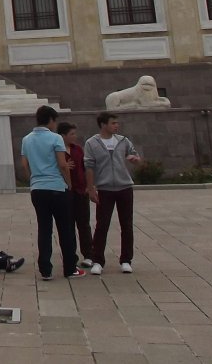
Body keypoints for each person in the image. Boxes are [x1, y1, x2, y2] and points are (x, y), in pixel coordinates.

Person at [20, 105, 84, 280]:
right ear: (51, 120)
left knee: (44, 229)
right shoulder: (55, 138)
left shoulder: (26, 139)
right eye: (54, 121)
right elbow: (63, 165)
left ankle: (45, 270)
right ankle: (70, 268)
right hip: (56, 187)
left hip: (37, 188)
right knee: (65, 229)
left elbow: (24, 165)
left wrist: (32, 180)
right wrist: (69, 184)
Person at [84, 112, 142, 275]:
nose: (117, 126)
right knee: (102, 225)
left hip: (124, 187)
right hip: (105, 188)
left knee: (127, 224)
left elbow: (136, 156)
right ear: (103, 124)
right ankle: (98, 261)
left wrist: (135, 159)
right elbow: (89, 166)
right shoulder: (92, 143)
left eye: (117, 123)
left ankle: (126, 260)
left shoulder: (123, 141)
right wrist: (91, 188)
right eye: (113, 123)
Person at [58, 122, 95, 268]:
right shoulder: (58, 151)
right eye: (72, 134)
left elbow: (85, 169)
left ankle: (89, 255)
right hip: (65, 192)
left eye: (75, 133)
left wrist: (89, 186)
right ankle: (71, 256)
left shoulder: (78, 150)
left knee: (84, 224)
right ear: (63, 136)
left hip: (81, 191)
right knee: (68, 226)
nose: (75, 136)